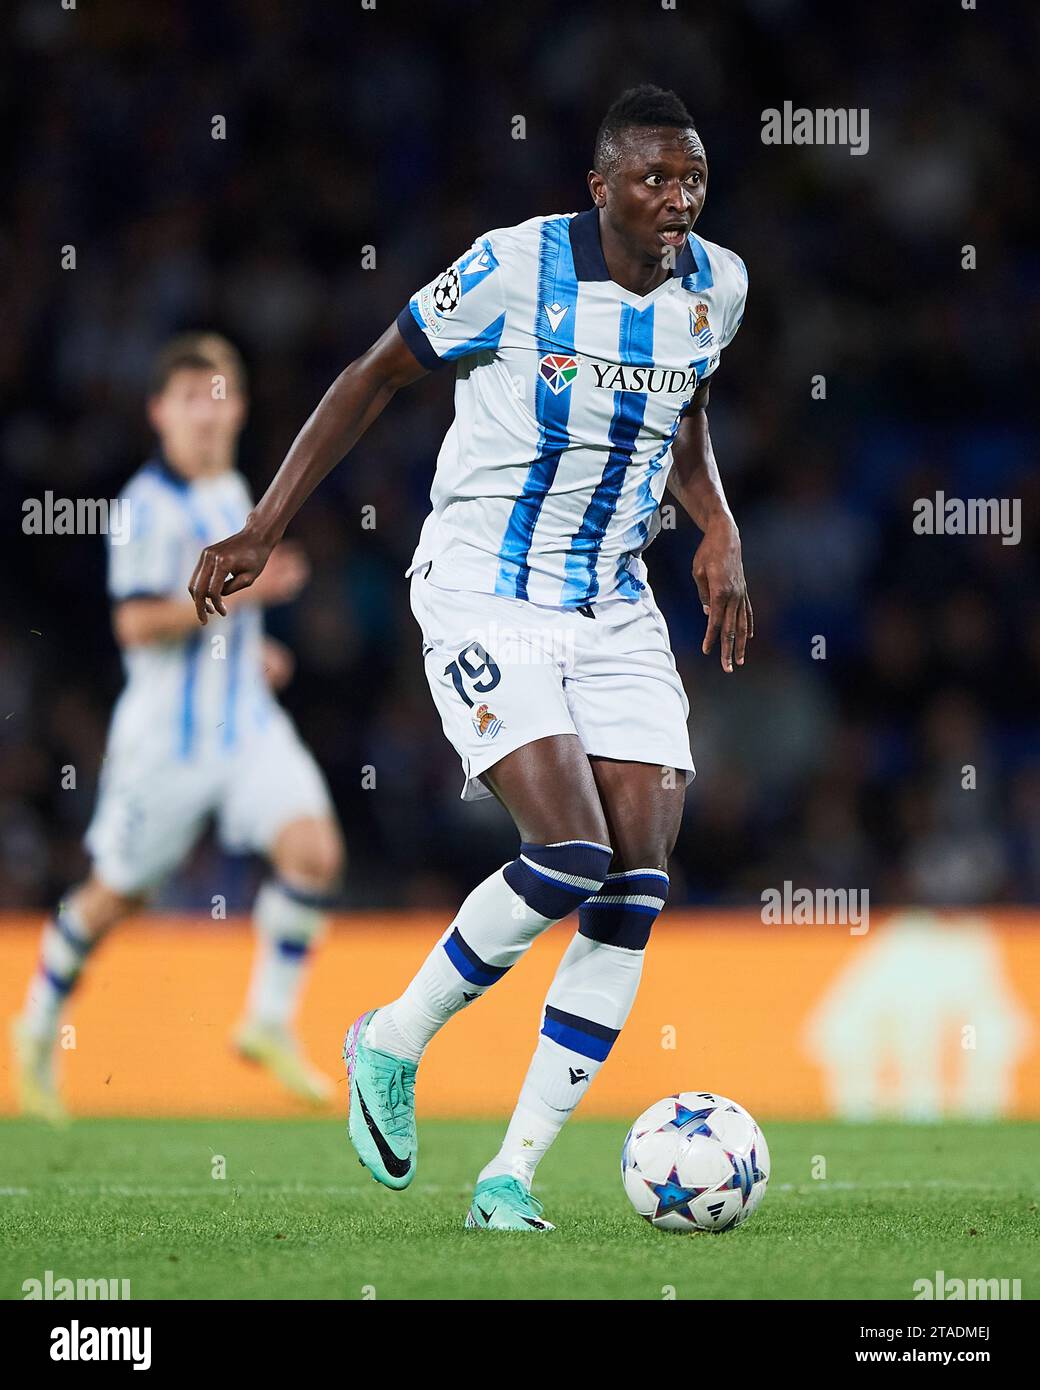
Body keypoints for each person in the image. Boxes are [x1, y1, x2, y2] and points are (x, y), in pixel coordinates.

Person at [189, 85, 752, 1231]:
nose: (675, 199)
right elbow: (372, 375)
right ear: (598, 189)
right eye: (651, 179)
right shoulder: (511, 269)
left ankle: (509, 1178)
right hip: (484, 589)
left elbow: (683, 415)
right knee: (568, 854)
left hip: (611, 599)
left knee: (635, 882)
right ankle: (388, 1042)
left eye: (689, 178)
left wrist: (719, 525)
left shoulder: (719, 288)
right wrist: (265, 523)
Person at [12, 333, 344, 1122]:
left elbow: (210, 614)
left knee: (314, 853)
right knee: (115, 896)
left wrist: (255, 656)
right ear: (160, 411)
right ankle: (33, 1027)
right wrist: (253, 602)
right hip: (166, 742)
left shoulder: (234, 491)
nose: (206, 413)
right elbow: (135, 624)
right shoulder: (143, 507)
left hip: (247, 728)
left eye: (218, 394)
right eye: (190, 397)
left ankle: (265, 1022)